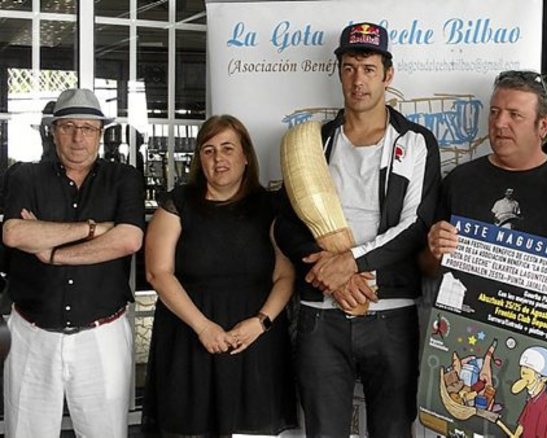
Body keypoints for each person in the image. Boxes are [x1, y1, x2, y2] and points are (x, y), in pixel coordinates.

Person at [275, 22, 441, 437]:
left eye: (368, 69)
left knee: (392, 430)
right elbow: (287, 225)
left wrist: (350, 261)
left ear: (388, 74)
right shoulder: (314, 141)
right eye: (349, 68)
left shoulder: (416, 142)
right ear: (339, 73)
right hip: (321, 315)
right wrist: (333, 277)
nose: (358, 80)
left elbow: (416, 225)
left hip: (390, 315)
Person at [141, 115, 297, 436]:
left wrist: (261, 323)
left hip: (254, 342)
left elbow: (285, 276)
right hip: (189, 338)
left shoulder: (271, 207)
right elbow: (158, 273)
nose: (218, 158)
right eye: (208, 150)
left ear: (245, 156)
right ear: (200, 159)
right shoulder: (177, 204)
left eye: (228, 148)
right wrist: (203, 327)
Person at [1, 88, 144, 437]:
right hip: (32, 334)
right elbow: (15, 234)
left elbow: (128, 240)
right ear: (53, 131)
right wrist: (94, 229)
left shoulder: (123, 178)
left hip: (102, 334)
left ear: (100, 133)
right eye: (68, 127)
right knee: (26, 432)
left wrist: (51, 251)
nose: (78, 137)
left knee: (105, 432)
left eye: (88, 128)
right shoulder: (24, 176)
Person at [426, 70, 547, 266]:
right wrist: (434, 251)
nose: (499, 123)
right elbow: (428, 267)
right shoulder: (459, 180)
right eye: (494, 112)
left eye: (515, 115)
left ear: (543, 125)